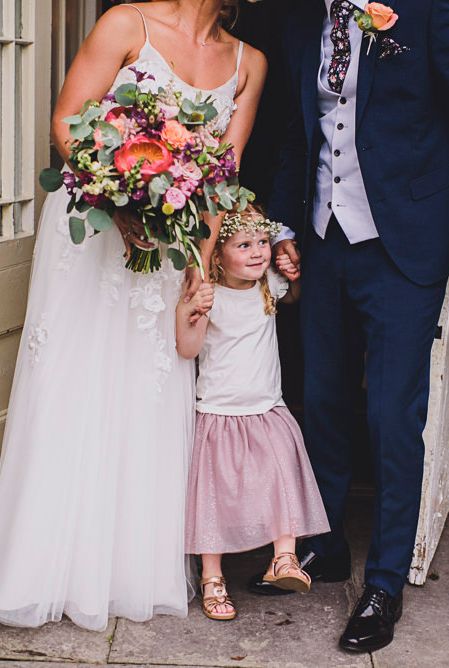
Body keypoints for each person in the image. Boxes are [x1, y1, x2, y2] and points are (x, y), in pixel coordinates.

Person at [250, 0, 449, 653]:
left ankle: (385, 581)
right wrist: (286, 224)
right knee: (322, 401)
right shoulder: (298, 19)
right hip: (324, 239)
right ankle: (323, 546)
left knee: (392, 414)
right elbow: (301, 130)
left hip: (410, 243)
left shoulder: (431, 11)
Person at [0, 1, 266, 630]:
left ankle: (125, 571)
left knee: (147, 394)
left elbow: (222, 178)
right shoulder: (126, 24)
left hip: (168, 249)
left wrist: (200, 268)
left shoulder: (250, 64)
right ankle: (44, 565)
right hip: (92, 238)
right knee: (76, 383)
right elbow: (66, 122)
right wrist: (115, 198)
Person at [176, 205, 329, 621]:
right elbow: (188, 349)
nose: (258, 252)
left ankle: (284, 557)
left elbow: (295, 295)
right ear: (217, 254)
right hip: (220, 412)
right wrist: (190, 311)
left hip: (267, 408)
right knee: (214, 496)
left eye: (262, 242)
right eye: (244, 245)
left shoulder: (269, 287)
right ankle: (212, 575)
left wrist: (290, 270)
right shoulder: (210, 294)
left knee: (280, 477)